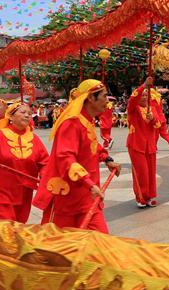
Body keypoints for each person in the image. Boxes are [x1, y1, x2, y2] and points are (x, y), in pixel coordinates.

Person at [32, 79, 119, 233]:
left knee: (100, 241)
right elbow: (65, 157)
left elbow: (92, 145)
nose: (108, 101)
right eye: (104, 96)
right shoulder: (71, 123)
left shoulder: (87, 121)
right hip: (67, 197)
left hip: (87, 196)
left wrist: (107, 159)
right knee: (59, 246)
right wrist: (89, 183)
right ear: (91, 98)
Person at [127, 78, 160, 208]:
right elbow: (132, 100)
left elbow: (157, 124)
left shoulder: (152, 109)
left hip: (150, 145)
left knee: (151, 172)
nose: (144, 97)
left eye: (146, 95)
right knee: (141, 172)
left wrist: (153, 119)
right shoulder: (133, 109)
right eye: (142, 95)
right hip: (136, 144)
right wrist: (144, 85)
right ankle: (141, 197)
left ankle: (150, 196)